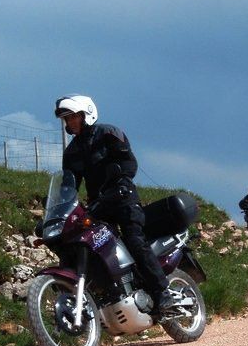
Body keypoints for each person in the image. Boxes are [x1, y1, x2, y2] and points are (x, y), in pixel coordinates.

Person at [54, 94, 174, 312]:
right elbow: (68, 185)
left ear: (86, 114)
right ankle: (112, 295)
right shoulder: (71, 153)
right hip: (98, 206)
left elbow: (129, 163)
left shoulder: (108, 133)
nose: (70, 123)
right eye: (66, 119)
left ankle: (162, 291)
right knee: (94, 246)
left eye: (73, 117)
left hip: (123, 198)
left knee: (134, 240)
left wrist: (121, 183)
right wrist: (59, 206)